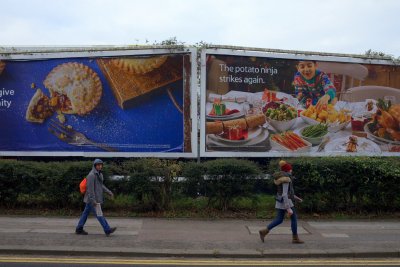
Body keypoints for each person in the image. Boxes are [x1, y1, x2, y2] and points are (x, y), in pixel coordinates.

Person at [259, 160, 304, 244]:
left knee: (279, 219)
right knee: (294, 219)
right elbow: (285, 194)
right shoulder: (286, 179)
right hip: (286, 202)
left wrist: (297, 198)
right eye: (290, 169)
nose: (291, 170)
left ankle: (264, 231)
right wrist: (288, 208)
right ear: (288, 170)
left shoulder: (282, 177)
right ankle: (295, 238)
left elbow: (287, 193)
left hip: (280, 201)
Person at [75, 159, 117, 236]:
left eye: (101, 165)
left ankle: (79, 229)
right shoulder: (91, 175)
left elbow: (101, 186)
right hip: (92, 200)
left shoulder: (99, 174)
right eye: (98, 165)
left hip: (92, 199)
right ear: (95, 166)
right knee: (99, 214)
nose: (100, 166)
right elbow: (90, 189)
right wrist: (93, 200)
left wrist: (109, 192)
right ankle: (107, 230)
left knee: (85, 214)